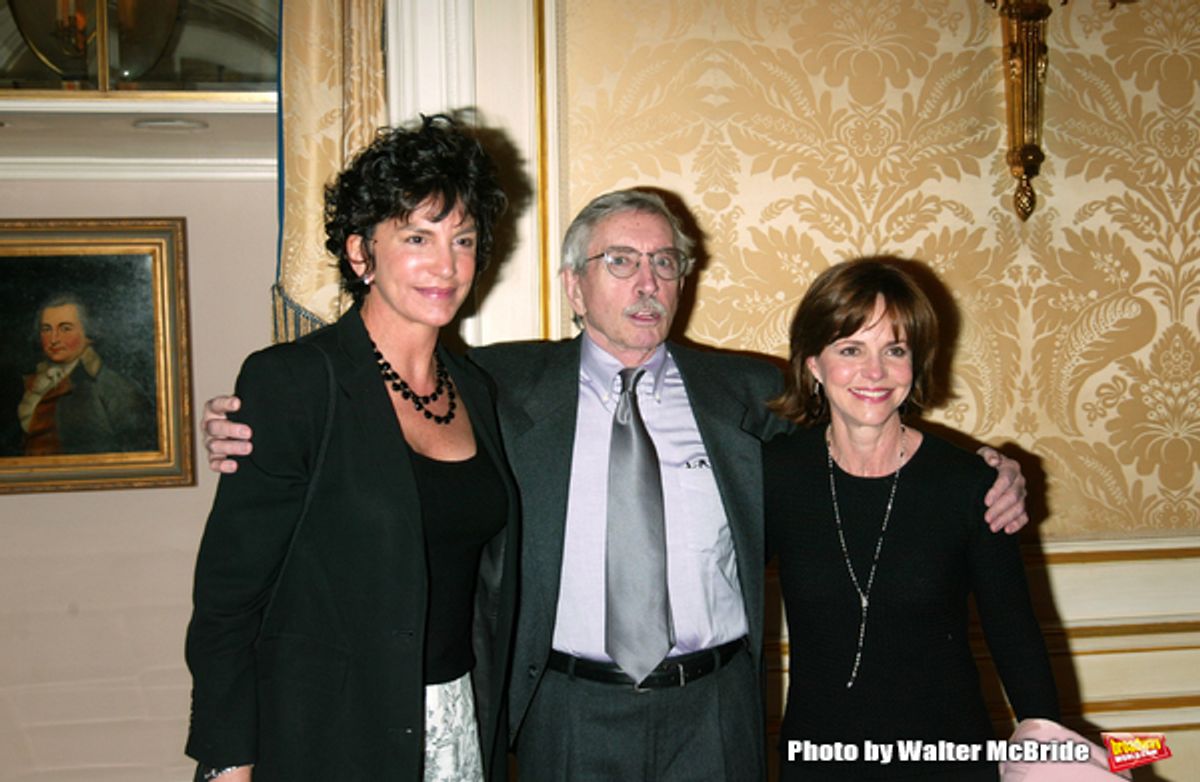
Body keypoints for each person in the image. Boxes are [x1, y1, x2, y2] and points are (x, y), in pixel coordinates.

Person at [202, 190, 1031, 781]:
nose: (647, 283)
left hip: (713, 713)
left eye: (665, 263)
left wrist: (991, 464)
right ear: (575, 285)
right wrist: (249, 420)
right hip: (568, 713)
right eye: (621, 261)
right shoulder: (494, 389)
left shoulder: (747, 395)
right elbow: (375, 397)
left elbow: (864, 412)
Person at [184, 115, 519, 782]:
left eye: (463, 239)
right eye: (417, 237)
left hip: (457, 723)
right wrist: (228, 762)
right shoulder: (295, 383)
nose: (446, 264)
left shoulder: (477, 390)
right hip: (326, 731)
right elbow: (227, 601)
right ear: (361, 253)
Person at [763, 258, 1059, 780]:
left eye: (894, 350)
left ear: (915, 362)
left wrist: (1049, 748)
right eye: (851, 349)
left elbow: (1014, 633)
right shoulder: (775, 476)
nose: (874, 373)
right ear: (813, 364)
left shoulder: (971, 485)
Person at [5, 292, 155, 456]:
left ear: (89, 334)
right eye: (46, 329)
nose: (53, 339)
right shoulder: (33, 382)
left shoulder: (113, 387)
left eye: (65, 329)